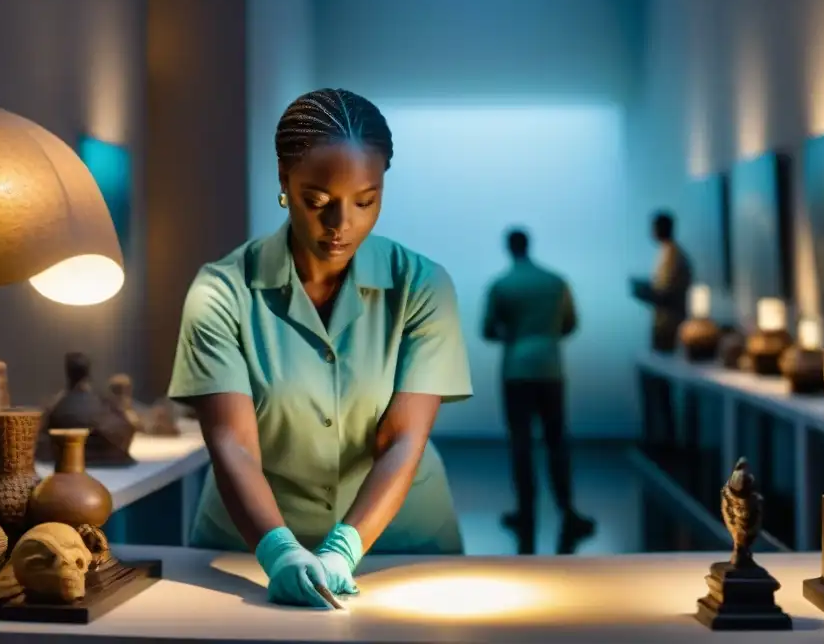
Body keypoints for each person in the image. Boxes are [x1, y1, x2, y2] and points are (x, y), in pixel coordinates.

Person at [167, 88, 473, 609]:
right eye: (317, 202)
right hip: (247, 549)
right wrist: (280, 551)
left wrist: (343, 548)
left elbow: (402, 439)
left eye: (365, 200)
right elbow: (232, 443)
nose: (341, 224)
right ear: (284, 182)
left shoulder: (423, 286)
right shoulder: (221, 291)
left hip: (399, 547)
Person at [481, 228, 595, 555]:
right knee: (557, 440)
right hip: (550, 368)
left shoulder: (501, 286)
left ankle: (525, 512)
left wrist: (514, 334)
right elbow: (570, 324)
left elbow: (488, 329)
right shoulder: (556, 282)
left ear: (508, 248)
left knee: (520, 442)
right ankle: (567, 510)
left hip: (516, 368)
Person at [631, 211, 692, 458]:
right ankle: (662, 439)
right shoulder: (669, 253)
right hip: (665, 326)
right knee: (659, 388)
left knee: (662, 388)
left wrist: (646, 292)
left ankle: (666, 442)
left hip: (669, 329)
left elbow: (666, 293)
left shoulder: (673, 255)